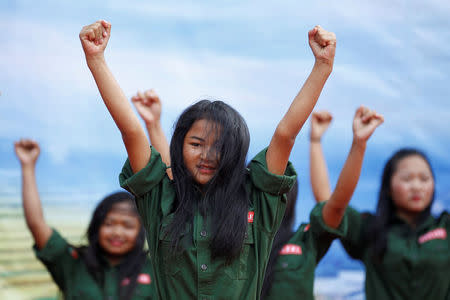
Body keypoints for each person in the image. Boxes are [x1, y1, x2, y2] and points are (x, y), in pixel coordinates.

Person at [80, 19, 335, 299]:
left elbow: (285, 134)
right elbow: (130, 131)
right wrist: (96, 59)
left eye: (220, 147)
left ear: (237, 152)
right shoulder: (159, 199)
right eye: (196, 144)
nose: (207, 156)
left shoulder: (257, 199)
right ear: (179, 146)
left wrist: (322, 67)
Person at [309, 120, 450, 299]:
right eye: (407, 179)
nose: (417, 186)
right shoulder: (370, 229)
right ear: (388, 188)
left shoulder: (445, 227)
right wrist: (316, 141)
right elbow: (329, 204)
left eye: (424, 179)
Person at [261, 106, 383, 300]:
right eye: (260, 188)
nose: (267, 198)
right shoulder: (230, 242)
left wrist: (358, 144)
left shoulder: (304, 241)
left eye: (279, 189)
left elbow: (333, 205)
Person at [14, 139, 154, 300]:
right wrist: (27, 166)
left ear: (140, 231)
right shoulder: (72, 263)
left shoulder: (156, 270)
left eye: (128, 226)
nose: (117, 232)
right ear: (96, 226)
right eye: (109, 224)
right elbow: (36, 224)